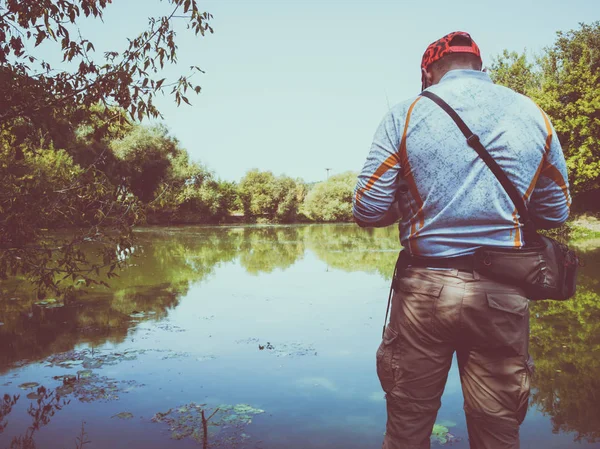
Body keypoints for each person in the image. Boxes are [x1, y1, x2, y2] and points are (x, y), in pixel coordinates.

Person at [352, 31, 571, 449]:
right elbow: (556, 211)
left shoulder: (407, 113)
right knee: (497, 430)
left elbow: (367, 210)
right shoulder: (532, 114)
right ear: (478, 66)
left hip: (424, 293)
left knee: (407, 427)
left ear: (429, 71)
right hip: (503, 293)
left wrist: (410, 205)